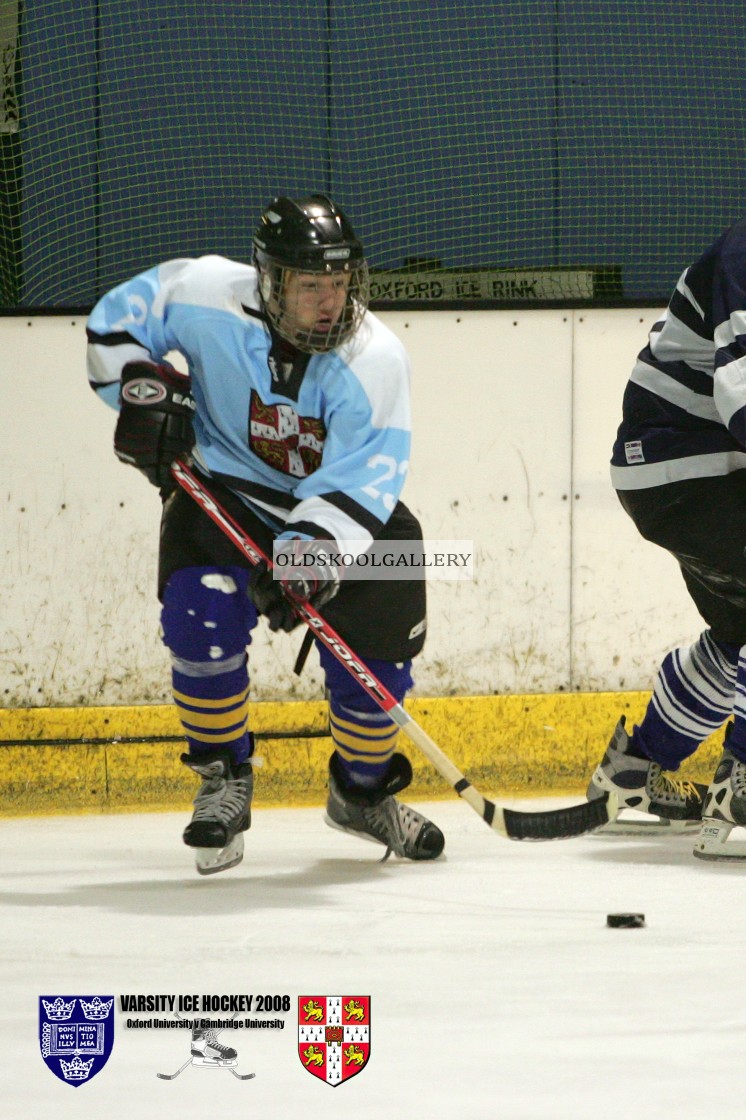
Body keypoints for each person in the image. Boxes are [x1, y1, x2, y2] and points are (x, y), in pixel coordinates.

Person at [86, 193, 444, 873]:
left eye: (339, 283)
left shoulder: (377, 358)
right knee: (202, 614)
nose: (330, 301)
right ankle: (224, 779)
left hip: (342, 520)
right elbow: (115, 325)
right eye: (311, 285)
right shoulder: (202, 295)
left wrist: (311, 554)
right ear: (270, 280)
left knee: (375, 673)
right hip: (225, 490)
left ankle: (362, 795)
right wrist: (141, 386)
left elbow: (367, 476)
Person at [586, 216, 746, 860]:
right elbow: (740, 394)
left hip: (697, 469)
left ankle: (634, 777)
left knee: (737, 635)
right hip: (688, 466)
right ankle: (739, 798)